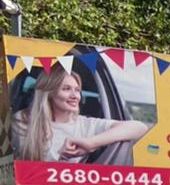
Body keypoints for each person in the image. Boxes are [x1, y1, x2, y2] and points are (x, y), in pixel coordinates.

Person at [14, 65, 150, 162]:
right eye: (66, 89)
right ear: (49, 94)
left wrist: (90, 143)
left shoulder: (86, 124)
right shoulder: (23, 120)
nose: (75, 96)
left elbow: (139, 127)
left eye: (77, 90)